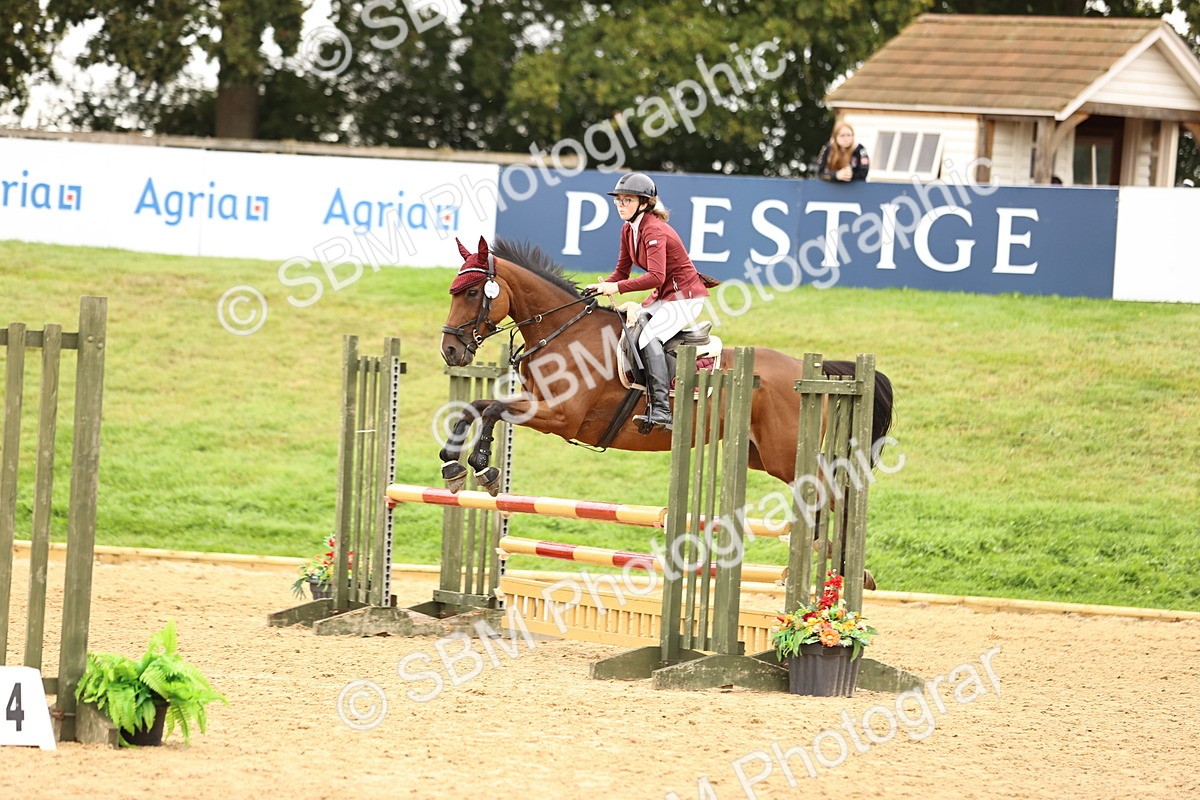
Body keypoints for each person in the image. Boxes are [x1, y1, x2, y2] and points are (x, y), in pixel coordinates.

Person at [585, 172, 709, 434]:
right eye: (618, 200)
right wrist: (601, 286)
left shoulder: (653, 229)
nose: (620, 205)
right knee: (630, 332)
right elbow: (621, 271)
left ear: (643, 203)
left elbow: (656, 276)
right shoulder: (628, 229)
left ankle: (662, 410)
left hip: (684, 297)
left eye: (626, 200)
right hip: (664, 297)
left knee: (647, 338)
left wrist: (616, 287)